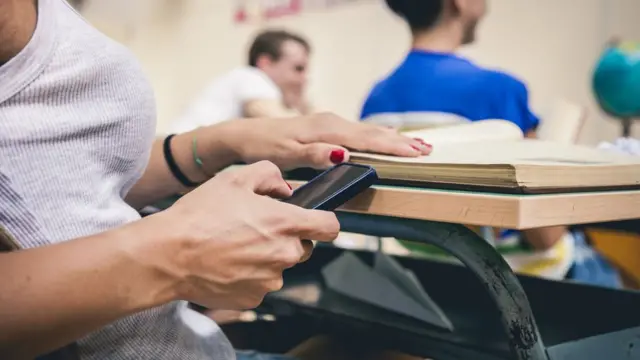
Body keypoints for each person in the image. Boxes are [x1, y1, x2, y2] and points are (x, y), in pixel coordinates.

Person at [0, 1, 431, 359]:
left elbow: (59, 173)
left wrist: (218, 142)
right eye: (298, 68)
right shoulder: (251, 81)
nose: (304, 77)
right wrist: (171, 257)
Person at [359, 0, 622, 288]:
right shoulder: (497, 90)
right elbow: (545, 236)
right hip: (517, 281)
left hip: (428, 276)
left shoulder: (376, 99)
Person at [169, 29, 313, 134]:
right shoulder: (252, 77)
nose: (304, 78)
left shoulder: (239, 79)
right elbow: (285, 126)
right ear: (265, 63)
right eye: (298, 68)